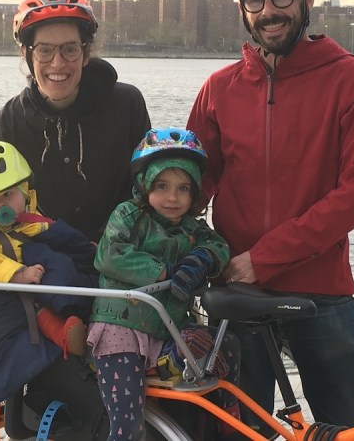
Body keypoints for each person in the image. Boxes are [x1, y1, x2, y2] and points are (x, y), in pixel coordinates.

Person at [186, 0, 354, 431]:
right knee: (238, 430)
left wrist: (264, 258)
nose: (268, 10)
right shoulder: (218, 88)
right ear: (242, 9)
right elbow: (190, 185)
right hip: (235, 290)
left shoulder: (353, 79)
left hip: (321, 289)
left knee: (353, 426)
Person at [0, 0, 151, 440]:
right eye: (44, 50)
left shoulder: (126, 105)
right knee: (39, 408)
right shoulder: (8, 124)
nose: (57, 63)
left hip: (112, 272)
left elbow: (145, 192)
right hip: (43, 282)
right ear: (27, 53)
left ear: (86, 52)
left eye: (69, 49)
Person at [88, 128, 241, 441]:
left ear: (195, 193)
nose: (173, 197)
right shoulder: (129, 214)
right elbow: (110, 254)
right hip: (121, 331)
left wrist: (201, 259)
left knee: (228, 345)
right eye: (162, 186)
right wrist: (163, 272)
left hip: (168, 332)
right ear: (145, 185)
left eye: (183, 188)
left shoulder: (192, 229)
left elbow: (219, 247)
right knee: (128, 423)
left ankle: (229, 422)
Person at [0, 139, 98, 358]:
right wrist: (17, 275)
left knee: (66, 264)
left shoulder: (29, 217)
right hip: (25, 283)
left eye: (7, 195)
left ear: (24, 192)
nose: (0, 205)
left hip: (53, 275)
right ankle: (75, 319)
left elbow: (52, 232)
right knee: (51, 277)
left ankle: (87, 308)